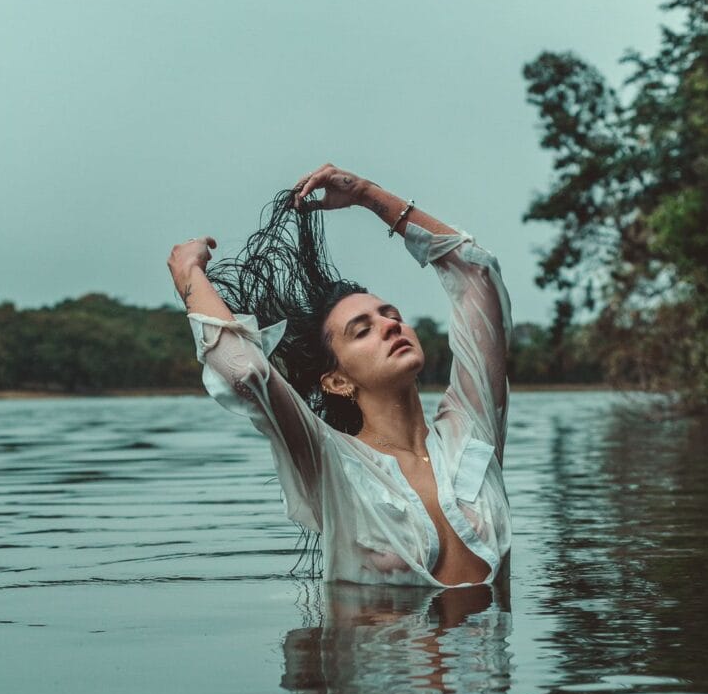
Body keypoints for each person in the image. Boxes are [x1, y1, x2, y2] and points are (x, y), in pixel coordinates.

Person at [166, 164, 513, 589]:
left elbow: (477, 275)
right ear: (336, 381)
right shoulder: (329, 459)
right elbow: (247, 372)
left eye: (392, 316)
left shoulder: (471, 434)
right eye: (362, 330)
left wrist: (369, 195)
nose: (390, 326)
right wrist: (189, 276)